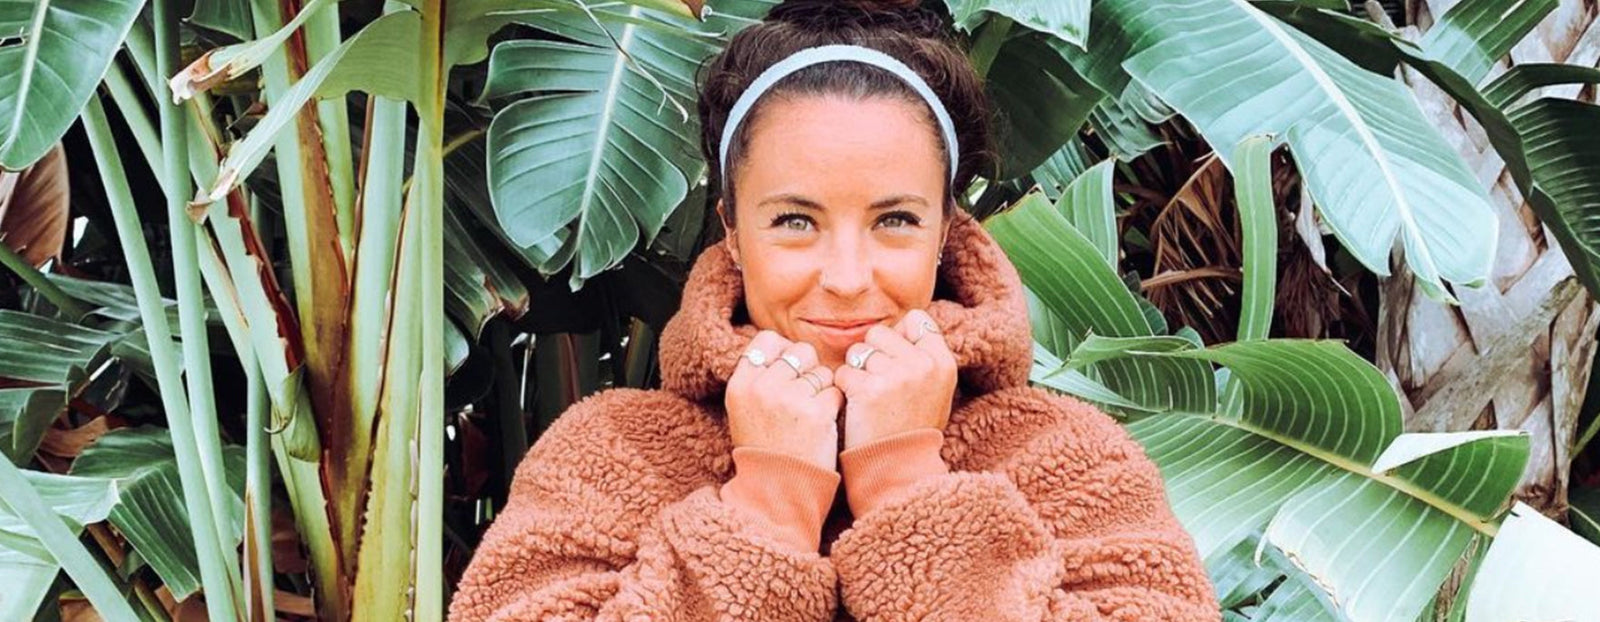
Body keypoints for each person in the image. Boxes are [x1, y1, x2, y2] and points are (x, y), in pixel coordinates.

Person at [448, 1, 1219, 619]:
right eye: (794, 221)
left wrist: (905, 484)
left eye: (895, 220)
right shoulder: (613, 456)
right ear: (733, 230)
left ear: (944, 231)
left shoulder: (1067, 458)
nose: (848, 279)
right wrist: (769, 504)